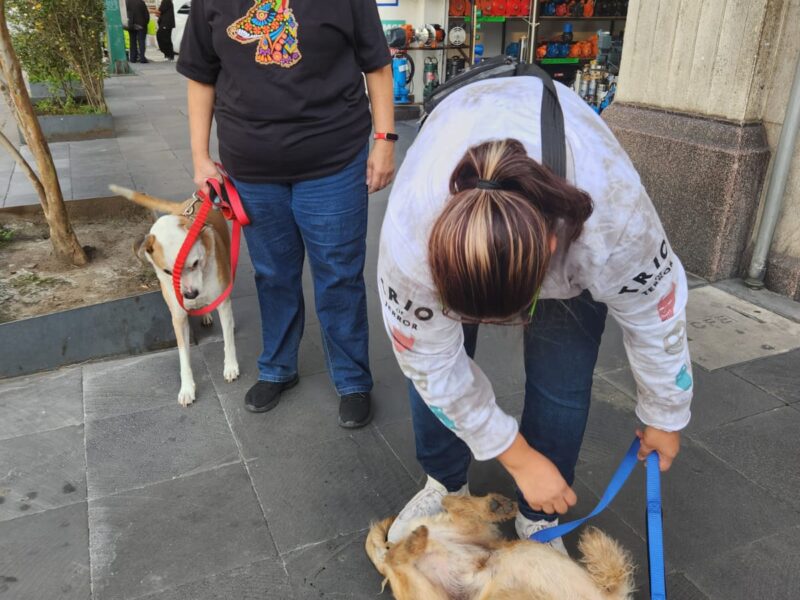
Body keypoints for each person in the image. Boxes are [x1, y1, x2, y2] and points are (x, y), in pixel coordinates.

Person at [378, 75, 692, 551]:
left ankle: (539, 515)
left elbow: (657, 314)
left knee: (563, 379)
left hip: (578, 207)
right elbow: (432, 366)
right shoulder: (410, 238)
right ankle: (444, 484)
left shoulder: (615, 219)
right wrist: (518, 459)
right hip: (458, 141)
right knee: (433, 373)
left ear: (551, 247)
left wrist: (665, 414)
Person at [177, 1, 395, 428]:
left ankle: (352, 379)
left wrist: (385, 139)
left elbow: (377, 64)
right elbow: (201, 76)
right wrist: (200, 158)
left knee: (339, 275)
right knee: (272, 274)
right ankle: (278, 367)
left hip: (334, 160)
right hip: (251, 169)